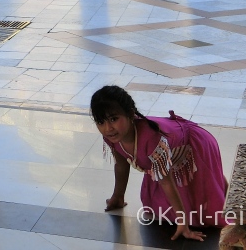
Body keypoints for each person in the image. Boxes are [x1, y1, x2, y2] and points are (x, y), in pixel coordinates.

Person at [90, 85, 227, 241]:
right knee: (157, 208)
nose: (108, 128)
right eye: (100, 122)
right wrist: (118, 196)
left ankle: (220, 183)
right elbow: (121, 164)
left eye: (114, 119)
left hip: (195, 144)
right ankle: (217, 182)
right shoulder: (111, 136)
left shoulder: (151, 140)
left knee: (207, 213)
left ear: (130, 113)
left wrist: (183, 224)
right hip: (169, 151)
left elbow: (166, 182)